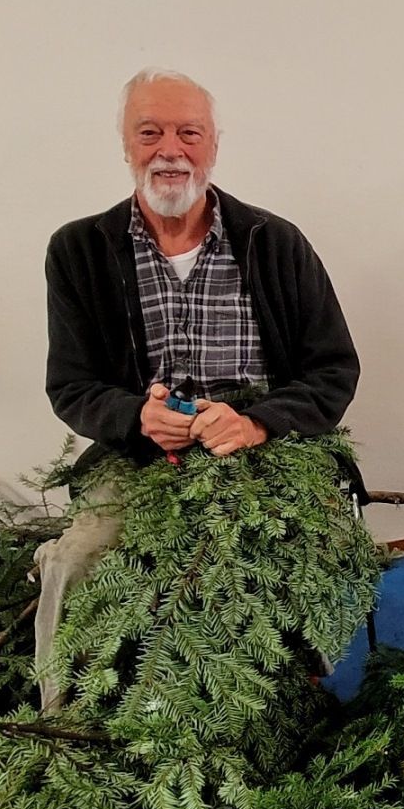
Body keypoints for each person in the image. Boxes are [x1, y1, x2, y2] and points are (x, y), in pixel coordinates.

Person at [38, 68, 360, 708]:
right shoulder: (79, 250)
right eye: (150, 132)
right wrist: (136, 417)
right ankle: (62, 727)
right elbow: (71, 385)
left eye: (189, 133)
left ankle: (302, 701)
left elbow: (334, 369)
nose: (170, 150)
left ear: (213, 145)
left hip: (266, 448)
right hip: (141, 454)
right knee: (75, 561)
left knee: (312, 545)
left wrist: (258, 422)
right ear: (125, 145)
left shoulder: (275, 243)